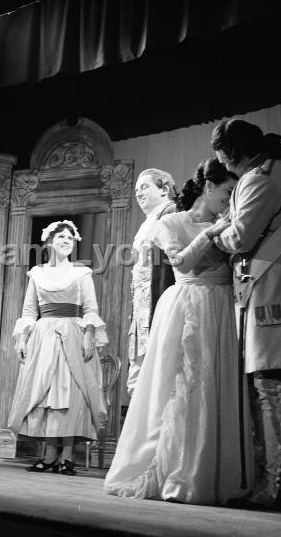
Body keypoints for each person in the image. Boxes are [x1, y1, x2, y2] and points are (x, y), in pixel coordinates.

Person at [104, 158, 245, 505]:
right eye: (227, 192)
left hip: (222, 308)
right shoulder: (170, 222)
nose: (230, 201)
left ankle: (209, 469)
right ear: (209, 187)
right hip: (186, 301)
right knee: (181, 383)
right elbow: (180, 261)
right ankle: (171, 468)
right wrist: (211, 233)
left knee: (212, 385)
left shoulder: (229, 225)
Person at [208, 119, 281, 509]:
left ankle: (272, 489)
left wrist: (216, 232)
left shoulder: (261, 178)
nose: (223, 165)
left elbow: (240, 237)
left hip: (272, 286)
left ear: (234, 152)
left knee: (271, 388)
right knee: (279, 389)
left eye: (223, 156)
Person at [7, 220, 107, 476]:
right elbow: (29, 310)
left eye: (70, 238)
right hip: (44, 336)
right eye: (60, 237)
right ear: (50, 241)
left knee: (72, 394)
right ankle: (49, 454)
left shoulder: (81, 273)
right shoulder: (37, 274)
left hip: (73, 334)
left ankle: (67, 456)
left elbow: (90, 308)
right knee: (48, 394)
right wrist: (22, 338)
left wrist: (88, 336)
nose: (65, 241)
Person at [128, 169, 177, 396]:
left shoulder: (171, 213)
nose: (138, 193)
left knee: (159, 381)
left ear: (165, 189)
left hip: (161, 304)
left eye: (145, 187)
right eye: (136, 189)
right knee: (138, 383)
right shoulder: (147, 222)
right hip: (142, 312)